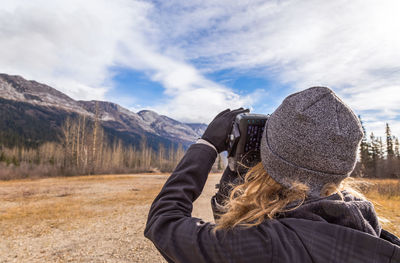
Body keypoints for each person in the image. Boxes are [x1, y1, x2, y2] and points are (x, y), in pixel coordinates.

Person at [144, 87, 400, 263]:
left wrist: (207, 145)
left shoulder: (269, 246)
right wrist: (237, 174)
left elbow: (163, 223)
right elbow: (237, 230)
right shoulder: (371, 232)